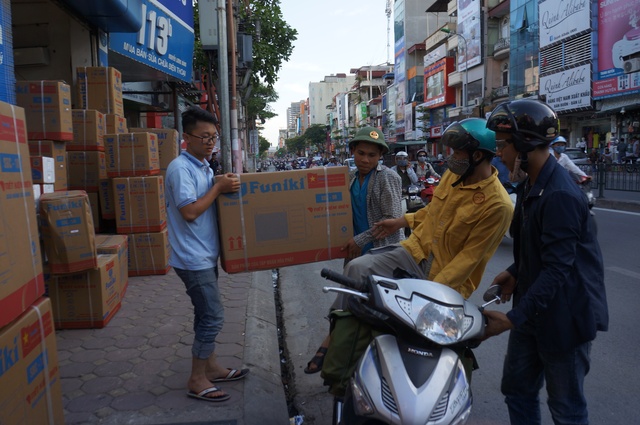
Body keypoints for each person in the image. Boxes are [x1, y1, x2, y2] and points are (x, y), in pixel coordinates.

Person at [320, 118, 513, 394]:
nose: (451, 159)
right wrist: (401, 222)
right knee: (357, 270)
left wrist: (428, 293)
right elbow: (432, 212)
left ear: (478, 155)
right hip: (412, 251)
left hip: (442, 278)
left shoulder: (498, 205)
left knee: (418, 338)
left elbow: (468, 260)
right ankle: (337, 349)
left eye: (457, 154)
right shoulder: (452, 176)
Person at [483, 99, 609, 425]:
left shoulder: (560, 196)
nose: (500, 154)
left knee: (566, 409)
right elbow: (539, 250)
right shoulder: (530, 186)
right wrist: (514, 272)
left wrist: (512, 319)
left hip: (565, 318)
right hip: (533, 311)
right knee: (517, 390)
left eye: (503, 145)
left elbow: (558, 270)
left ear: (524, 144)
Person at [165, 107, 249, 402]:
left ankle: (211, 366)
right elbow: (189, 211)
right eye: (204, 137)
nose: (211, 142)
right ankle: (197, 378)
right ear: (186, 137)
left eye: (214, 136)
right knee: (213, 316)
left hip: (204, 254)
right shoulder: (180, 168)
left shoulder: (202, 165)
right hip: (191, 258)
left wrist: (221, 184)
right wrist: (218, 188)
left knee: (204, 313)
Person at [304, 126, 404, 374]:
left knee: (371, 307)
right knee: (352, 301)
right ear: (352, 151)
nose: (366, 159)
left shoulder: (387, 177)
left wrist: (361, 239)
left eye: (372, 155)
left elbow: (392, 220)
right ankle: (344, 355)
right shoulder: (346, 177)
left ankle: (330, 347)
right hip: (354, 253)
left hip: (383, 252)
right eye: (361, 153)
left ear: (381, 156)